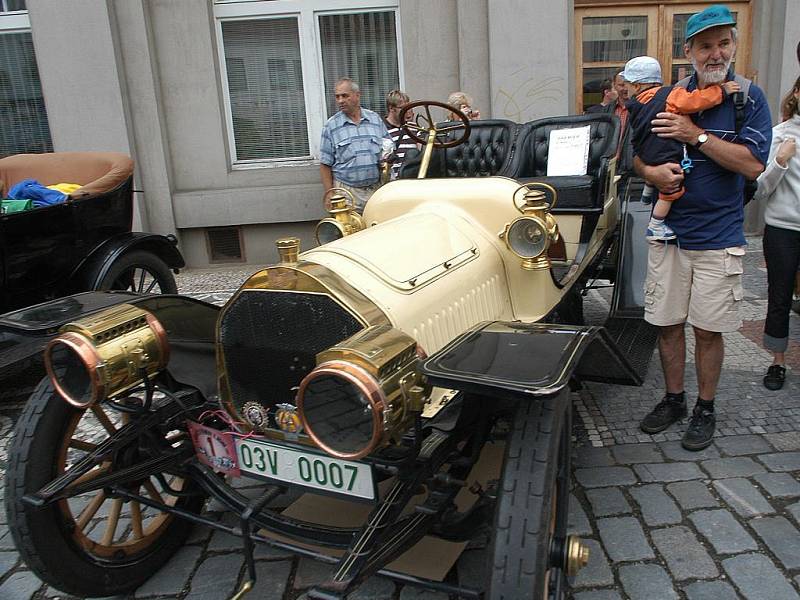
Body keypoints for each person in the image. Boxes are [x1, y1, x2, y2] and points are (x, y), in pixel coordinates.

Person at [635, 4, 772, 450]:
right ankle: (674, 399)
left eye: (724, 44)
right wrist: (651, 175)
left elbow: (752, 166)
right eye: (706, 46)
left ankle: (704, 408)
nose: (716, 54)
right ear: (688, 51)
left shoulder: (747, 98)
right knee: (667, 322)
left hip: (719, 237)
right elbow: (634, 154)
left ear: (733, 46)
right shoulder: (667, 97)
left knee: (708, 329)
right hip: (669, 235)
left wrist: (695, 135)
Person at [623, 55, 741, 241]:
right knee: (670, 191)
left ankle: (647, 192)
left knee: (653, 173)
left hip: (646, 152)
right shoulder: (670, 95)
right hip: (665, 153)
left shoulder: (636, 104)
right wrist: (722, 91)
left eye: (627, 84)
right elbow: (696, 101)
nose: (625, 89)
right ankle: (656, 225)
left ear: (637, 86)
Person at [755, 75, 800, 390]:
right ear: (797, 93)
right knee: (780, 295)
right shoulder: (780, 134)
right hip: (783, 229)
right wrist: (781, 162)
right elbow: (759, 190)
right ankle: (778, 361)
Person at [319, 78, 391, 212]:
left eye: (345, 96)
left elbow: (388, 148)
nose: (340, 100)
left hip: (376, 191)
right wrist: (329, 193)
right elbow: (325, 164)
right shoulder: (331, 126)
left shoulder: (374, 119)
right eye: (337, 96)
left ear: (357, 95)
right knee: (351, 232)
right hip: (347, 194)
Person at [383, 89, 418, 180]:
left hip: (411, 180)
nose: (407, 111)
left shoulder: (413, 128)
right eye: (402, 108)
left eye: (408, 107)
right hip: (392, 182)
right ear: (391, 108)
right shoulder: (382, 129)